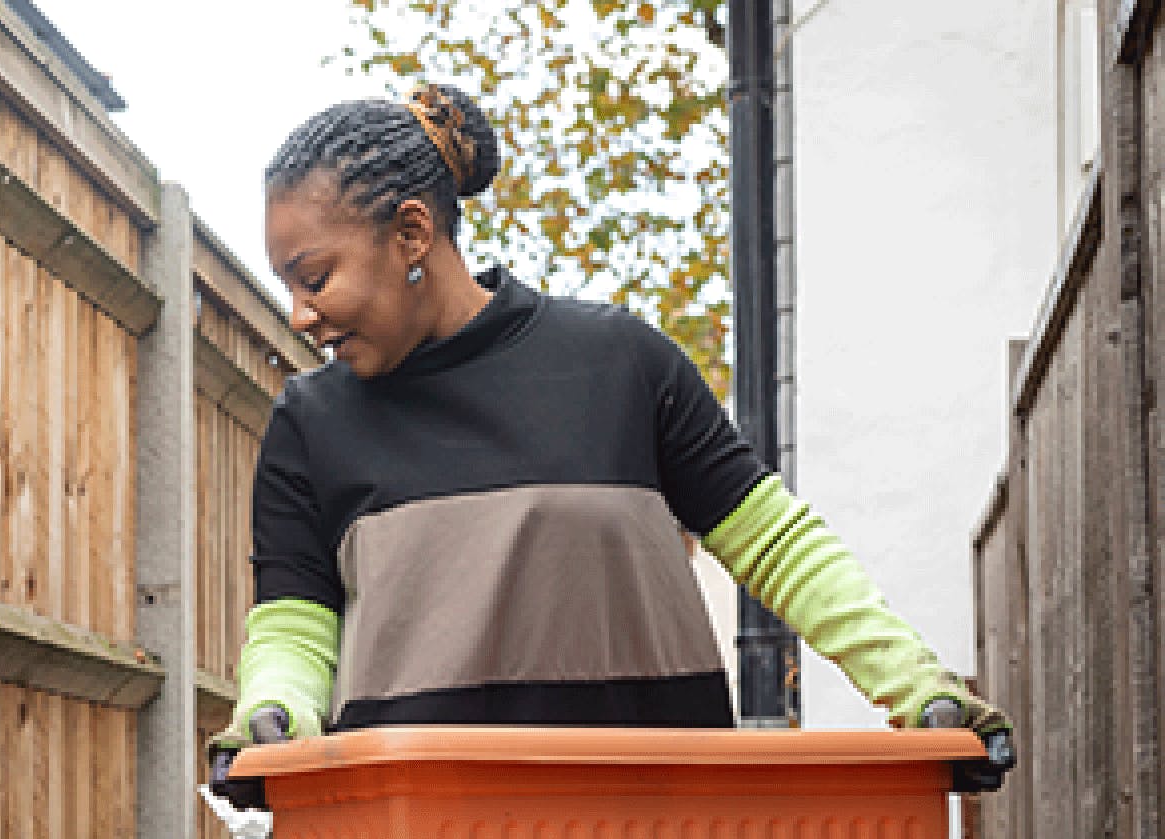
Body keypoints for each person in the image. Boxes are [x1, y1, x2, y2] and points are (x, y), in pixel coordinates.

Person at [208, 83, 1015, 793]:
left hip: (651, 811)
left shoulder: (621, 364)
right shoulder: (309, 424)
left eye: (314, 279)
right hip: (425, 815)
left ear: (412, 234)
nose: (299, 315)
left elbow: (777, 545)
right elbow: (293, 621)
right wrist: (271, 717)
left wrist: (915, 686)